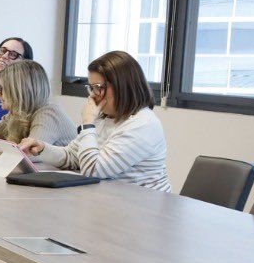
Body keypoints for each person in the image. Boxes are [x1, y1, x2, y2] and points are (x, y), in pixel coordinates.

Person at [20, 50, 170, 191]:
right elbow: (72, 156)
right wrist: (42, 149)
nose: (93, 95)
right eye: (91, 88)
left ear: (122, 86)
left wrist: (87, 123)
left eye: (98, 87)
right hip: (112, 199)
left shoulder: (142, 124)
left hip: (145, 207)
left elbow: (93, 170)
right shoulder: (105, 117)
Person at [0, 60, 75, 157]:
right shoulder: (16, 114)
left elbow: (28, 155)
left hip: (72, 178)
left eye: (2, 89)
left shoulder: (49, 114)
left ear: (19, 91)